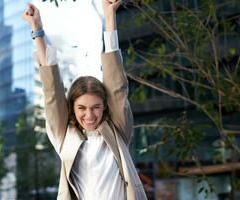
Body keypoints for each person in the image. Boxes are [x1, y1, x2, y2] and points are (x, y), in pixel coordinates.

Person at [22, 0, 147, 199]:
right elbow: (52, 92)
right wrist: (37, 30)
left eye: (96, 107)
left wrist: (109, 16)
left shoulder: (117, 131)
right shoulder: (64, 136)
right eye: (81, 108)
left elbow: (116, 87)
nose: (89, 115)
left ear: (105, 107)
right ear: (72, 107)